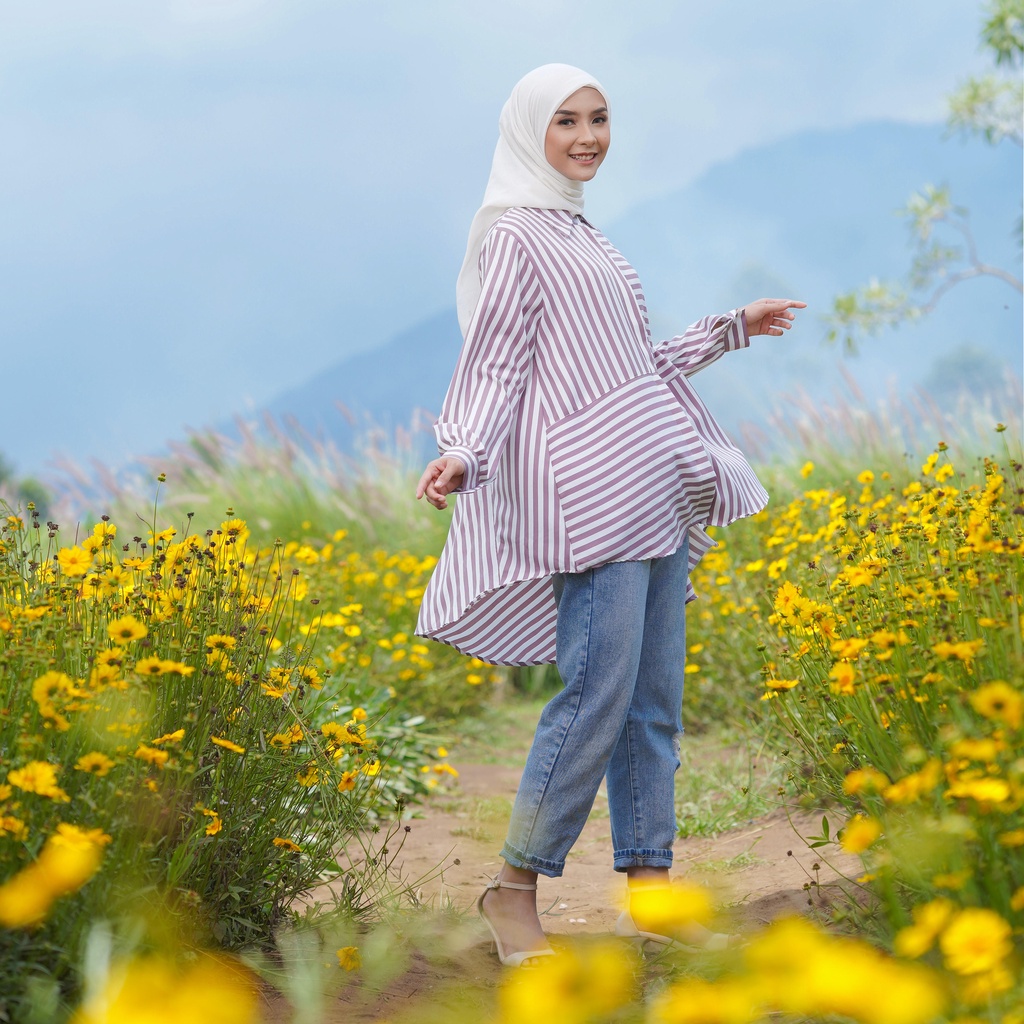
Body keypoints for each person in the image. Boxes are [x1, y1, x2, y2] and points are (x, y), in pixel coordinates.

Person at [415, 63, 805, 966]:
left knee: (651, 702)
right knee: (595, 692)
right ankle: (512, 892)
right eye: (566, 122)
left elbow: (631, 370)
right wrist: (465, 448)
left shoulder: (585, 235)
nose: (587, 137)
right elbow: (498, 363)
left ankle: (652, 888)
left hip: (654, 489)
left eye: (598, 119)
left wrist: (731, 327)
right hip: (588, 503)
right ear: (528, 133)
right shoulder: (516, 236)